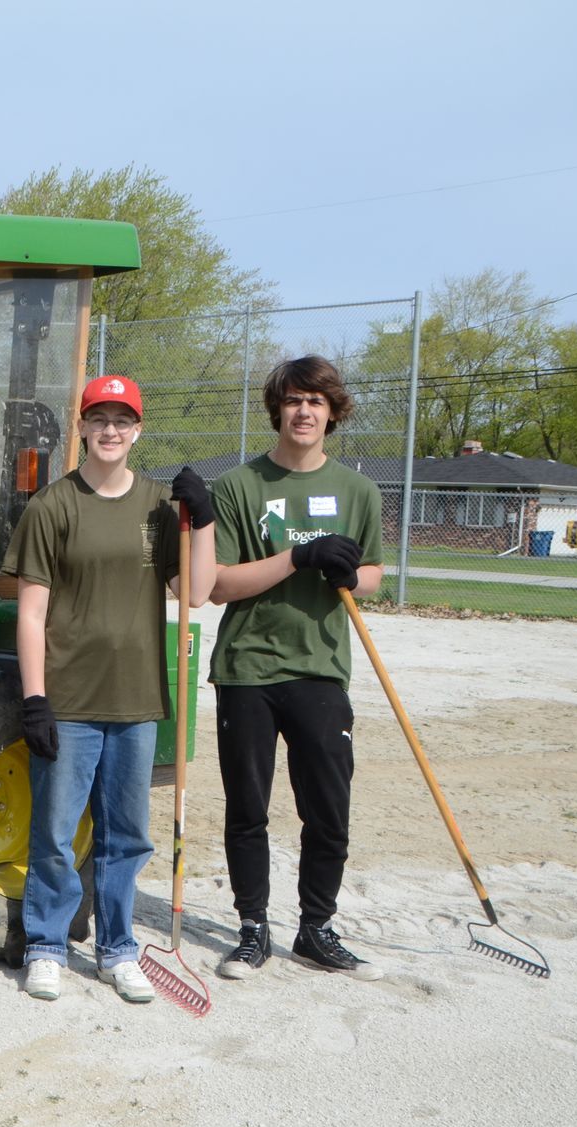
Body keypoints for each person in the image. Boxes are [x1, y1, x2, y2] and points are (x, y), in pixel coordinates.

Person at [1, 375, 216, 1003]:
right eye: (99, 419)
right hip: (68, 698)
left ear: (137, 430)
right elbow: (31, 612)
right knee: (55, 832)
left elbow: (196, 592)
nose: (110, 430)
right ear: (82, 428)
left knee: (127, 836)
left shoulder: (159, 506)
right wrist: (35, 698)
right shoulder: (53, 506)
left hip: (136, 698)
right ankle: (46, 945)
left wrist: (202, 521)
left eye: (122, 420)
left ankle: (118, 949)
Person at [207, 355, 386, 981]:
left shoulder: (359, 491)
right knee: (247, 809)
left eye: (315, 401)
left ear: (332, 412)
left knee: (329, 809)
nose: (303, 411)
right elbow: (219, 585)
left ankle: (316, 929)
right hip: (247, 668)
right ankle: (252, 928)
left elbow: (374, 574)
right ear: (276, 410)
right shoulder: (239, 486)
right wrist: (297, 557)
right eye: (292, 401)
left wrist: (349, 574)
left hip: (321, 667)